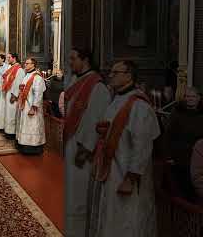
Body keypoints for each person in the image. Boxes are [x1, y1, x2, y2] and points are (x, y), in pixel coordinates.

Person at [88, 60, 160, 237]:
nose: (110, 75)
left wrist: (131, 177)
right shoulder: (118, 98)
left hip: (126, 174)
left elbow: (142, 145)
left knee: (127, 220)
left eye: (115, 72)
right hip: (112, 168)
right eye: (111, 72)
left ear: (129, 76)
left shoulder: (139, 105)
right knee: (110, 218)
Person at [63, 49, 111, 237]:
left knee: (79, 194)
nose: (70, 62)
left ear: (86, 60)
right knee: (70, 192)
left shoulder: (97, 86)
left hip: (81, 149)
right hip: (71, 142)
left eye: (73, 59)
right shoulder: (76, 80)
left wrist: (85, 148)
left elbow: (95, 119)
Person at [165, 86, 203, 200]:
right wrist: (169, 155)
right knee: (182, 189)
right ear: (184, 98)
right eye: (188, 96)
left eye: (193, 96)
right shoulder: (177, 113)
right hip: (181, 156)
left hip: (199, 156)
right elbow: (168, 135)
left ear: (198, 98)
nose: (190, 99)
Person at [16, 58, 46, 154]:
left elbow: (38, 94)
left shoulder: (37, 78)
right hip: (25, 105)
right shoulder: (26, 76)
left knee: (33, 126)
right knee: (25, 126)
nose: (25, 65)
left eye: (28, 63)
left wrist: (34, 108)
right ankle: (23, 146)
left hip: (32, 108)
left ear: (33, 65)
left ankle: (33, 148)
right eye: (25, 63)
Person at [0, 53, 25, 139]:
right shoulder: (10, 67)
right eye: (7, 58)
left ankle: (12, 133)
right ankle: (7, 130)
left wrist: (14, 95)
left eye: (9, 57)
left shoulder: (19, 69)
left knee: (12, 114)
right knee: (7, 113)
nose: (7, 59)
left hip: (13, 95)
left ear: (14, 58)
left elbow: (19, 83)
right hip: (8, 92)